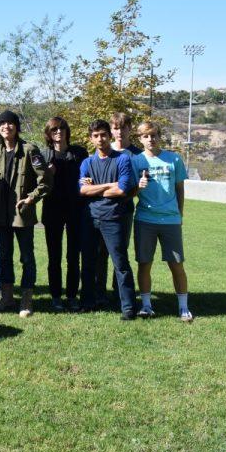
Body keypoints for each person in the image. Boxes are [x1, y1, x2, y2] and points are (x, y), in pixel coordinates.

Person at [0, 111, 51, 317]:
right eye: (2, 123)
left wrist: (31, 198)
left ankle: (26, 301)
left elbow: (46, 181)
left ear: (17, 126)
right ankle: (7, 299)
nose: (6, 126)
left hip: (21, 213)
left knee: (27, 257)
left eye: (10, 123)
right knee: (4, 257)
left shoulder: (29, 149)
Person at [131, 121, 192, 321]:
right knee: (144, 263)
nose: (151, 139)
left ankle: (183, 307)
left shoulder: (173, 158)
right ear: (140, 139)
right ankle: (147, 305)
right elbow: (130, 192)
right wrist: (138, 187)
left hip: (170, 221)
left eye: (154, 135)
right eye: (146, 136)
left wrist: (180, 214)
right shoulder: (136, 161)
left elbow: (180, 189)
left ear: (159, 136)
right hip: (144, 219)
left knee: (176, 264)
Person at [78, 119, 138, 320]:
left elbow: (122, 189)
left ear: (109, 136)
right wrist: (108, 186)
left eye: (103, 134)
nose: (100, 138)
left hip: (114, 218)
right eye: (96, 135)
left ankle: (128, 307)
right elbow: (83, 190)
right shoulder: (87, 162)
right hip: (90, 219)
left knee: (120, 263)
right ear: (91, 139)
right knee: (88, 262)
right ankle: (87, 302)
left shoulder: (122, 159)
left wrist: (96, 188)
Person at [40, 116, 88, 313]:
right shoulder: (44, 155)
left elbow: (87, 178)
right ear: (49, 134)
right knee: (54, 257)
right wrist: (48, 173)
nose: (58, 132)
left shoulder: (79, 153)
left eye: (61, 129)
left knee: (73, 257)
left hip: (75, 210)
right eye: (54, 130)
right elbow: (38, 184)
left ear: (67, 131)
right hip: (52, 210)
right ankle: (56, 296)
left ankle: (71, 296)